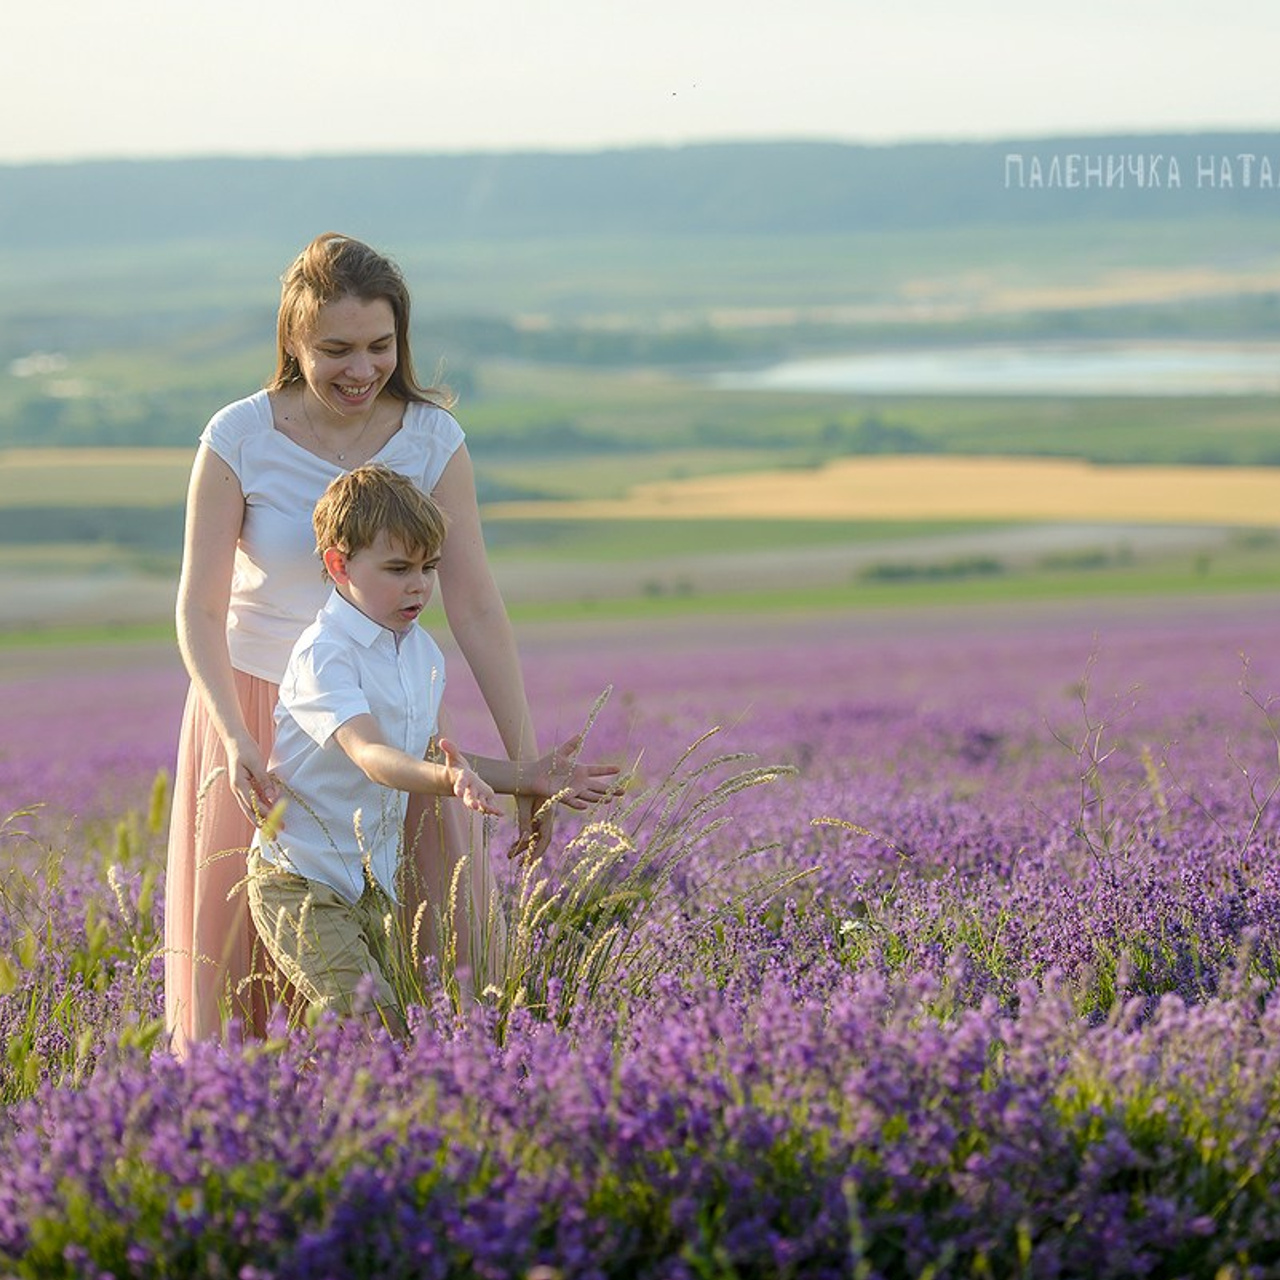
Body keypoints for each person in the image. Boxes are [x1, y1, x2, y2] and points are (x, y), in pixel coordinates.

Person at [165, 232, 551, 1055]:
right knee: (255, 972)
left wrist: (526, 767)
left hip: (393, 723)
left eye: (381, 346)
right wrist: (234, 737)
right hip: (259, 719)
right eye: (335, 349)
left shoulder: (432, 438)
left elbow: (476, 604)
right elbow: (199, 609)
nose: (361, 369)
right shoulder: (237, 437)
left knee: (416, 968)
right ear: (292, 342)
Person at [246, 465, 617, 1034]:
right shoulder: (325, 655)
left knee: (389, 1033)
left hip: (372, 884)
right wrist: (447, 783)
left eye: (429, 568)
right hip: (302, 879)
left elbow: (427, 753)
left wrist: (530, 775)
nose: (418, 585)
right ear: (339, 564)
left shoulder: (421, 654)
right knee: (376, 1030)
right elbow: (371, 754)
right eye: (398, 569)